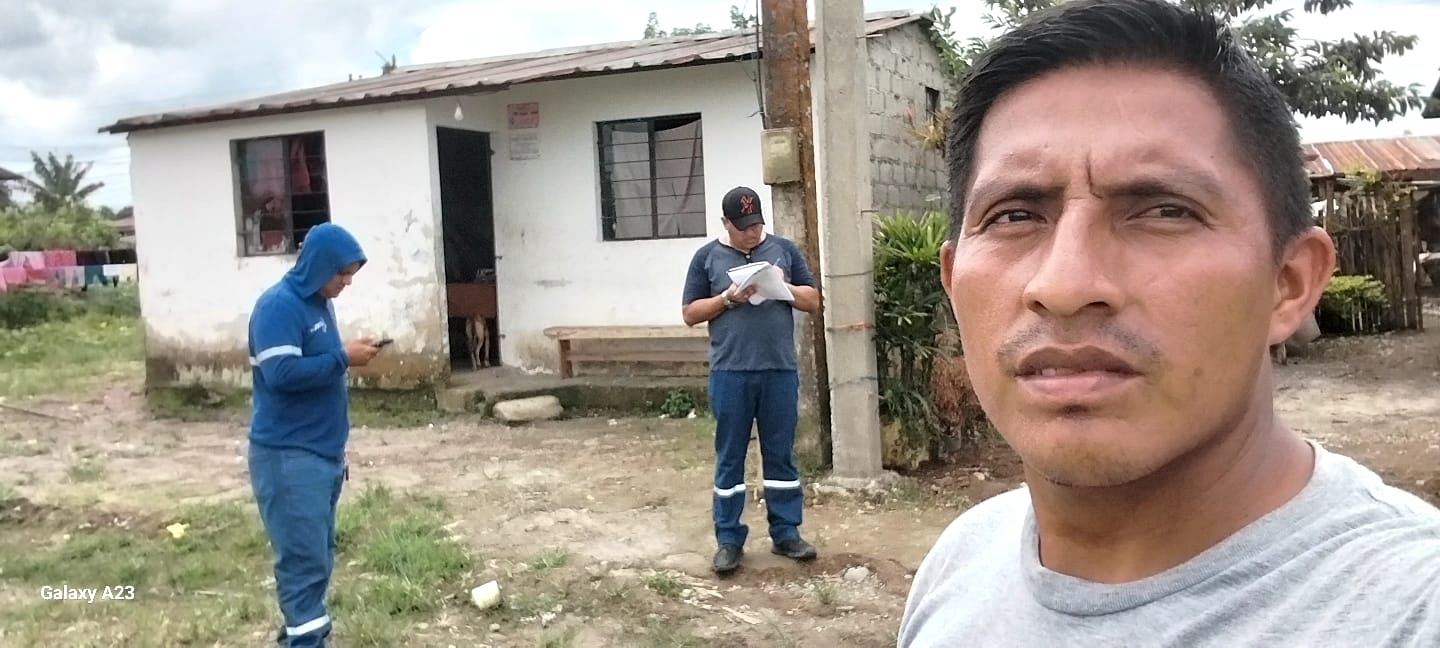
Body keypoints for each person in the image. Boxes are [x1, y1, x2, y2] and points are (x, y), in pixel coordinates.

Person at [898, 0, 1440, 645]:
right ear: (954, 283)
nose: (1065, 286)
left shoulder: (1409, 610)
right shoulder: (964, 562)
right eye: (1015, 216)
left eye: (1164, 211)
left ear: (1289, 284)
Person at [246, 223, 381, 647]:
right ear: (319, 265)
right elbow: (281, 373)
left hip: (321, 455)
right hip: (289, 457)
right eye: (341, 273)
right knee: (303, 563)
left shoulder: (320, 304)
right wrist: (344, 357)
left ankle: (299, 637)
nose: (347, 282)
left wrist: (345, 355)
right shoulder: (278, 307)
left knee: (316, 558)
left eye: (351, 274)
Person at [681, 185, 823, 574]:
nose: (752, 233)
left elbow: (812, 300)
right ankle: (729, 540)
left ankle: (786, 533)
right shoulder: (706, 258)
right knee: (730, 456)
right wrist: (727, 299)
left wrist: (780, 287)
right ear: (725, 223)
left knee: (780, 453)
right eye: (743, 227)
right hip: (731, 372)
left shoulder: (783, 251)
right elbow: (690, 313)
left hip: (778, 370)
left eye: (756, 225)